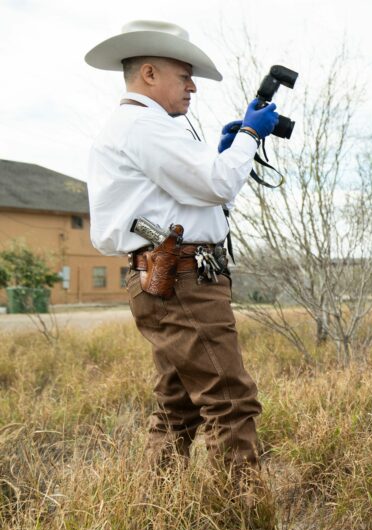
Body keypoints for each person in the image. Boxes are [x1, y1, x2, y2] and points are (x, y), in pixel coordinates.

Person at [85, 20, 279, 469]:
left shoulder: (140, 127)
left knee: (178, 406)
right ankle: (244, 527)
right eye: (184, 74)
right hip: (183, 279)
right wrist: (248, 138)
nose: (193, 86)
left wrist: (227, 151)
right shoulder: (143, 126)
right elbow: (214, 185)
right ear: (149, 74)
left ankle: (157, 516)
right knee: (230, 401)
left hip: (169, 275)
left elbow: (205, 194)